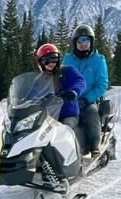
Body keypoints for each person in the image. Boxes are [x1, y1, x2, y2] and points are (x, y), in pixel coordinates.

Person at [62, 23, 109, 156]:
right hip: (70, 98)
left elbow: (102, 84)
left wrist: (87, 99)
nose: (83, 43)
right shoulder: (68, 58)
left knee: (92, 113)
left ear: (91, 42)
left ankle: (94, 146)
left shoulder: (99, 60)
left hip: (90, 99)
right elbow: (60, 78)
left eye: (86, 40)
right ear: (75, 42)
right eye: (80, 40)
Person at [35, 42, 86, 133]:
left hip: (68, 114)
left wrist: (74, 91)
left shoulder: (67, 70)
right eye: (46, 61)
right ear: (40, 63)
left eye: (53, 59)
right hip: (48, 116)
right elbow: (31, 93)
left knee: (64, 131)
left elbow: (80, 81)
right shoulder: (39, 80)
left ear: (58, 60)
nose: (50, 63)